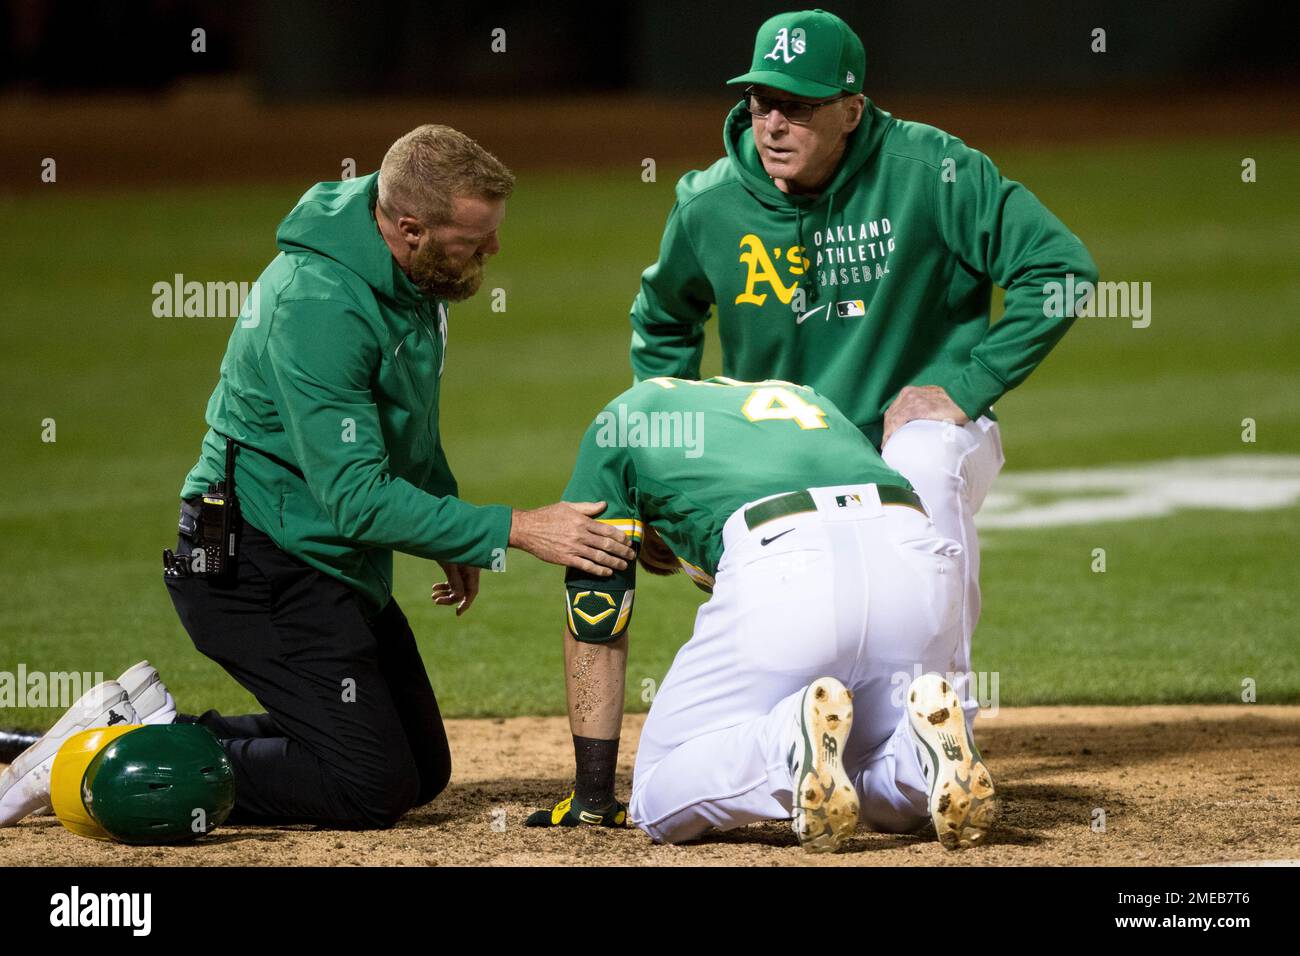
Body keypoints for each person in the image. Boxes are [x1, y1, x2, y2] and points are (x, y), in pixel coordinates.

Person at [2, 125, 636, 833]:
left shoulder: (413, 275)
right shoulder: (318, 304)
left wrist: (447, 524)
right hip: (253, 566)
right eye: (476, 237)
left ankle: (155, 727)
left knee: (423, 769)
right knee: (370, 786)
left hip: (326, 558)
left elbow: (409, 426)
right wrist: (514, 528)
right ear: (410, 228)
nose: (493, 250)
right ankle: (104, 753)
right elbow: (357, 499)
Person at [628, 9, 1098, 732]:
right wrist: (668, 458)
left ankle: (944, 724)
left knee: (925, 465)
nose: (774, 123)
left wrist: (968, 388)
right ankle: (799, 731)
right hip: (786, 448)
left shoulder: (932, 170)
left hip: (910, 432)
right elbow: (664, 319)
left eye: (799, 105)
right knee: (796, 628)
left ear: (851, 110)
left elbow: (1061, 270)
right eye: (762, 102)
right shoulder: (710, 204)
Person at [526, 377, 998, 851]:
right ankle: (916, 759)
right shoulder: (805, 398)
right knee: (864, 771)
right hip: (918, 560)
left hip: (784, 556)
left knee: (654, 794)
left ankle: (785, 743)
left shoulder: (626, 415)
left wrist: (593, 798)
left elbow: (597, 620)